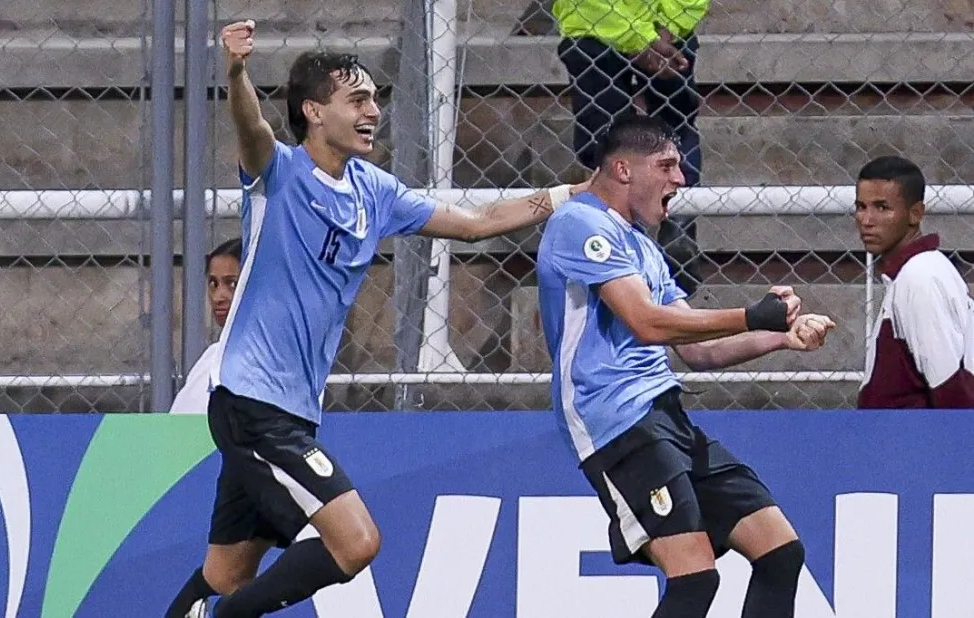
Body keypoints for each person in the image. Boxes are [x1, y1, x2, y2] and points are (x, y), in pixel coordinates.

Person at [169, 19, 594, 618]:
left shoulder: (376, 190)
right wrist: (236, 71)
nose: (374, 110)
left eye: (375, 98)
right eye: (358, 100)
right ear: (315, 112)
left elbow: (473, 223)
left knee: (225, 572)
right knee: (356, 541)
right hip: (251, 407)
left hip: (294, 410)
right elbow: (251, 126)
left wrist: (568, 194)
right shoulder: (279, 175)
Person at [535, 112, 836, 618]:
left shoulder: (644, 249)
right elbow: (648, 324)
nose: (681, 178)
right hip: (614, 423)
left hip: (665, 416)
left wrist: (781, 337)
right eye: (668, 165)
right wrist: (752, 313)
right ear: (625, 169)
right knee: (694, 578)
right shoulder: (578, 223)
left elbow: (701, 350)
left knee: (781, 552)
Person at [553, 0, 707, 294]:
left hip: (596, 25)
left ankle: (627, 232)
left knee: (609, 135)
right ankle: (673, 220)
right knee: (670, 128)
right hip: (624, 25)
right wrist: (658, 33)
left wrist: (654, 35)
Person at [855, 155, 974, 408]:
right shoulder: (914, 272)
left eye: (882, 207)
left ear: (915, 213)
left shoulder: (921, 277)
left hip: (917, 444)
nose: (866, 220)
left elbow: (951, 391)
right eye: (861, 206)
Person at [168, 237, 242, 416]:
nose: (218, 297)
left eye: (232, 284)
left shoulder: (283, 360)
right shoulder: (212, 357)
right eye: (213, 284)